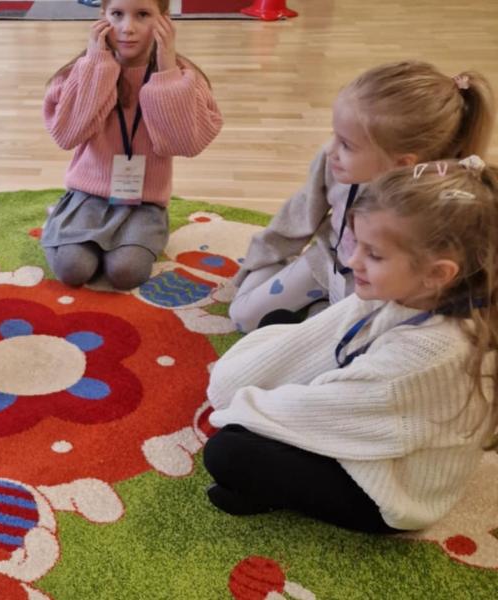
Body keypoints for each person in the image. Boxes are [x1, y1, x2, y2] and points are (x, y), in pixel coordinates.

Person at [203, 156, 498, 533]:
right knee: (275, 342)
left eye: (373, 254)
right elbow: (315, 343)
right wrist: (237, 386)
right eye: (357, 243)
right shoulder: (401, 290)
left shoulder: (432, 353)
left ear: (436, 274)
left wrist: (240, 407)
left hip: (391, 490)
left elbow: (321, 410)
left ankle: (271, 489)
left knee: (229, 451)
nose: (352, 260)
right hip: (369, 414)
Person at [229, 62, 495, 332]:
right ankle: (315, 306)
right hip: (324, 263)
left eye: (346, 144)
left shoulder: (433, 204)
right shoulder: (333, 162)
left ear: (402, 164)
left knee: (333, 344)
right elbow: (297, 217)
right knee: (243, 317)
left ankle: (319, 311)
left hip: (376, 291)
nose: (331, 150)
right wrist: (257, 261)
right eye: (334, 135)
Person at [41, 0, 222, 290]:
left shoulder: (184, 77)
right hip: (88, 195)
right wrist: (97, 66)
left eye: (143, 15)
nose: (128, 28)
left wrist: (166, 70)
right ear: (102, 17)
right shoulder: (83, 70)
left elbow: (184, 144)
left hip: (144, 201)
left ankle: (111, 237)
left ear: (164, 19)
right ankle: (61, 220)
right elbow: (66, 135)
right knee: (73, 269)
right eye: (117, 14)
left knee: (127, 272)